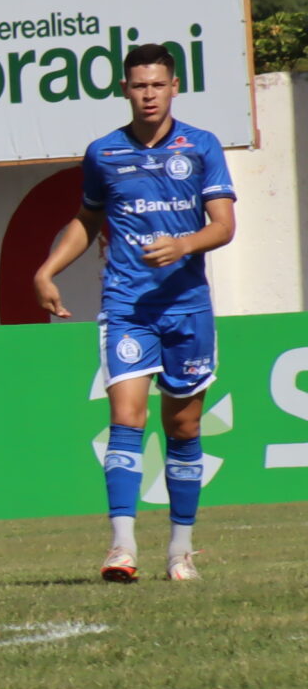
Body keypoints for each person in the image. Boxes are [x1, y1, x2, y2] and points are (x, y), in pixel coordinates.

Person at [31, 43, 235, 583]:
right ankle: (121, 547)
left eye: (158, 84)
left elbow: (224, 225)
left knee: (184, 424)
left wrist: (184, 244)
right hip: (127, 306)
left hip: (187, 308)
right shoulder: (104, 153)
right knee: (126, 417)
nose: (149, 94)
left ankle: (180, 550)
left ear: (174, 87)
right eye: (139, 85)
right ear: (124, 89)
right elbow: (87, 220)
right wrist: (46, 270)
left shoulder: (201, 147)